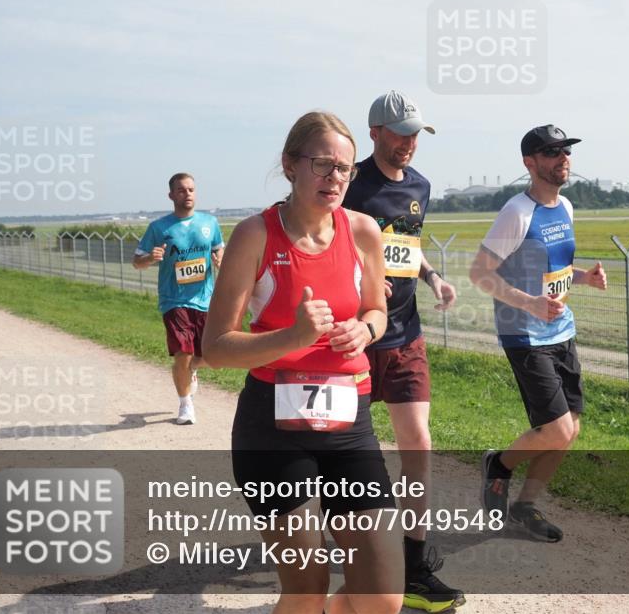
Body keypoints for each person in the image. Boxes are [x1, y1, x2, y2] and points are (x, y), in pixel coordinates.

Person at [202, 110, 402, 614]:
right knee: (307, 588)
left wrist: (366, 329)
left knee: (382, 597)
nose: (334, 178)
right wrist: (293, 336)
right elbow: (216, 347)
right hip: (273, 428)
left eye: (345, 169)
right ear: (290, 165)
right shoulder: (255, 235)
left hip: (349, 422)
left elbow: (377, 310)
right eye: (322, 164)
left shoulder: (363, 231)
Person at [342, 91, 462, 612]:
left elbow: (407, 244)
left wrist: (433, 278)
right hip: (356, 338)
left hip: (406, 335)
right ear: (374, 132)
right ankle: (348, 550)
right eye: (400, 133)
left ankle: (414, 565)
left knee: (418, 443)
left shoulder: (420, 186)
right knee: (344, 454)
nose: (410, 142)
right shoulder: (350, 184)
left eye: (416, 133)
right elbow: (325, 242)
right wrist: (358, 280)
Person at [468, 125, 608, 542]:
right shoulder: (517, 212)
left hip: (561, 330)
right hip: (525, 335)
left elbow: (553, 271)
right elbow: (479, 273)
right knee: (557, 429)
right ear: (530, 163)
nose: (563, 158)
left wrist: (583, 278)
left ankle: (525, 507)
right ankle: (499, 465)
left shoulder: (565, 207)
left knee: (570, 430)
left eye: (566, 150)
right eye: (551, 152)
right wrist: (529, 303)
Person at [133, 174, 224, 425]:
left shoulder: (209, 222)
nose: (188, 194)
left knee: (213, 357)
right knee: (183, 353)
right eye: (182, 190)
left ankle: (191, 369)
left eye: (191, 189)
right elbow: (137, 262)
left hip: (205, 300)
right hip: (174, 300)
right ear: (171, 195)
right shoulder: (159, 228)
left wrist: (220, 259)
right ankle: (185, 405)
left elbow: (218, 248)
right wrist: (150, 258)